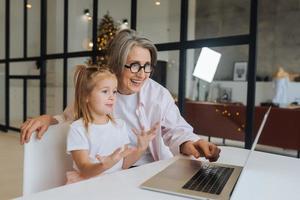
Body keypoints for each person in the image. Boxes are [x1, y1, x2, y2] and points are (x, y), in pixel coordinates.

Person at [20, 28, 220, 165]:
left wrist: (191, 144)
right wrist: (48, 119)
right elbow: (68, 117)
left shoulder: (158, 94)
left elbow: (176, 130)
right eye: (134, 65)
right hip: (111, 169)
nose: (141, 74)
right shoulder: (99, 88)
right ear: (117, 64)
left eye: (147, 66)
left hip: (150, 167)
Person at [66, 64, 158, 184]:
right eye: (105, 91)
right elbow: (84, 170)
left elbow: (123, 164)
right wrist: (104, 165)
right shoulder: (78, 129)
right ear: (86, 96)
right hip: (87, 186)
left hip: (114, 183)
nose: (112, 97)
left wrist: (141, 148)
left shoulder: (120, 125)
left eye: (114, 92)